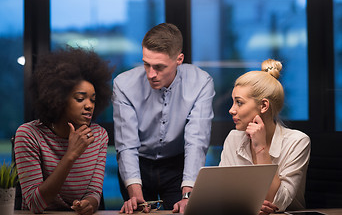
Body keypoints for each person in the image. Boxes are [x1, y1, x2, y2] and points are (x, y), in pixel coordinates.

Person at [112, 23, 215, 213]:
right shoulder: (123, 85)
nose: (151, 74)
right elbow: (126, 144)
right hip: (138, 163)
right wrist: (135, 193)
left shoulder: (201, 83)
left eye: (159, 67)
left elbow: (196, 141)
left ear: (179, 59)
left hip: (177, 165)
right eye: (146, 64)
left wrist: (187, 195)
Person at [14, 47, 113, 215]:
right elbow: (35, 204)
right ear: (58, 98)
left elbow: (94, 193)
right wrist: (70, 155)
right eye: (80, 99)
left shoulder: (98, 135)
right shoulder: (29, 135)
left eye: (93, 100)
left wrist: (89, 204)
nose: (89, 105)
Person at [219, 59, 311, 215]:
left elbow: (276, 204)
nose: (231, 110)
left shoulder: (298, 142)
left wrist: (260, 148)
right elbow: (222, 193)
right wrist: (248, 205)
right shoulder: (234, 137)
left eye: (239, 103)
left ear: (263, 106)